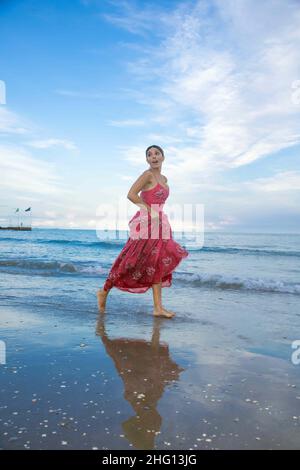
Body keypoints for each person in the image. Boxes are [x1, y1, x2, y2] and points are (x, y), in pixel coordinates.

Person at [97, 145, 189, 318]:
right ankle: (104, 291)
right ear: (147, 159)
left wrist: (157, 216)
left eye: (156, 154)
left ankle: (158, 308)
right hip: (146, 222)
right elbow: (131, 194)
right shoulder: (146, 175)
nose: (153, 157)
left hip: (159, 223)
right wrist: (150, 211)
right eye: (149, 155)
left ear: (163, 157)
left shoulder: (164, 178)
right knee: (131, 260)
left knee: (157, 263)